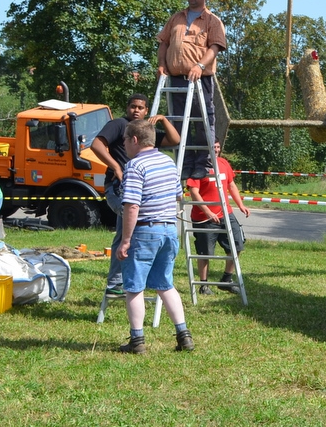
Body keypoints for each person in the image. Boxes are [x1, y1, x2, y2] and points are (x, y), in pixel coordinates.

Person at [116, 119, 194, 354]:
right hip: (169, 230)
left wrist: (126, 240)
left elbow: (132, 206)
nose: (124, 145)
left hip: (145, 231)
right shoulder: (168, 162)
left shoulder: (135, 166)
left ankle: (137, 340)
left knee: (134, 287)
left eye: (125, 140)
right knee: (165, 284)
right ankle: (184, 336)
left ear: (135, 140)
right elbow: (178, 195)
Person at [93, 93, 179, 296]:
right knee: (127, 223)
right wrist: (116, 167)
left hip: (138, 190)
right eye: (133, 106)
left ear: (146, 111)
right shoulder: (118, 125)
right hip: (117, 187)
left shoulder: (145, 131)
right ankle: (116, 282)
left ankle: (140, 276)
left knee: (136, 226)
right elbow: (96, 145)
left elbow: (175, 139)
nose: (136, 110)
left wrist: (163, 119)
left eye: (141, 107)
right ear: (127, 107)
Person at [156, 0, 227, 180]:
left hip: (199, 79)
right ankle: (185, 163)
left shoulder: (212, 20)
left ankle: (202, 164)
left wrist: (199, 65)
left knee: (203, 120)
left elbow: (215, 47)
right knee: (178, 121)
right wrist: (161, 64)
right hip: (176, 78)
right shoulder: (176, 17)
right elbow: (164, 43)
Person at [186, 140, 250, 295]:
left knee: (237, 244)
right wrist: (208, 212)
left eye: (217, 147)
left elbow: (231, 185)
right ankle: (204, 285)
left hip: (226, 214)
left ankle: (226, 280)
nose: (215, 150)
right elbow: (194, 192)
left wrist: (240, 205)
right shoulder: (198, 166)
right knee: (205, 252)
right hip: (204, 217)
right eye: (212, 147)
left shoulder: (223, 163)